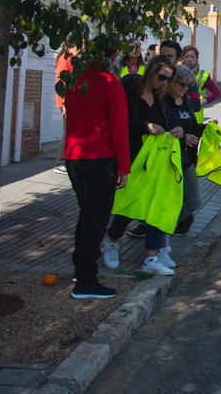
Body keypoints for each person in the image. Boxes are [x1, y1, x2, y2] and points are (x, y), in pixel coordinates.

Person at [103, 55, 181, 275]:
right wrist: (146, 126)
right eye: (162, 77)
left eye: (168, 79)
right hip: (132, 155)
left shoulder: (160, 96)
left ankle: (151, 258)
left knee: (156, 205)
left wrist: (175, 131)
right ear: (151, 71)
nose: (165, 82)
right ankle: (111, 240)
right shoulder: (129, 88)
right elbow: (121, 122)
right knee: (130, 205)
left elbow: (166, 122)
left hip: (154, 158)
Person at [63, 39, 129, 299]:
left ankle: (80, 267)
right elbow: (118, 127)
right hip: (101, 158)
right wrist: (124, 167)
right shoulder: (111, 84)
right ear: (111, 55)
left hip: (74, 156)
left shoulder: (72, 80)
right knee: (97, 219)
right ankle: (86, 281)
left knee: (87, 213)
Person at [162, 64, 205, 238]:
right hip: (168, 161)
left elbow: (192, 128)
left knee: (195, 201)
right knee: (168, 200)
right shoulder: (163, 103)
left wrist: (207, 129)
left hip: (187, 159)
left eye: (188, 86)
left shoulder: (186, 100)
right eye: (182, 85)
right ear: (171, 82)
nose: (185, 89)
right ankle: (160, 231)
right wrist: (181, 138)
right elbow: (161, 132)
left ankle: (163, 226)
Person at [53, 39, 82, 174]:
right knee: (67, 131)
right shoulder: (65, 59)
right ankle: (60, 162)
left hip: (73, 101)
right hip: (66, 102)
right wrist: (64, 103)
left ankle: (70, 159)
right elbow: (61, 81)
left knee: (72, 131)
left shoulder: (74, 59)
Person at [181, 45, 221, 118]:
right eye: (186, 57)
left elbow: (216, 92)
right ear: (182, 59)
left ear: (197, 59)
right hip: (179, 116)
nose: (189, 59)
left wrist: (205, 101)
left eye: (192, 57)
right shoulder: (177, 73)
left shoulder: (203, 75)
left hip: (196, 117)